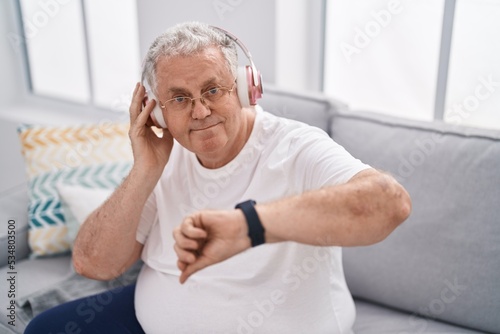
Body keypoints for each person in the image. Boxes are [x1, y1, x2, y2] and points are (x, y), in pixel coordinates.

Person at [25, 21, 411, 333]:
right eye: (179, 99)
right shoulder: (165, 153)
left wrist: (250, 225)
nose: (199, 111)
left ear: (246, 88)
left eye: (213, 89)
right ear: (156, 112)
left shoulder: (296, 147)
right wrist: (144, 170)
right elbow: (94, 264)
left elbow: (390, 203)